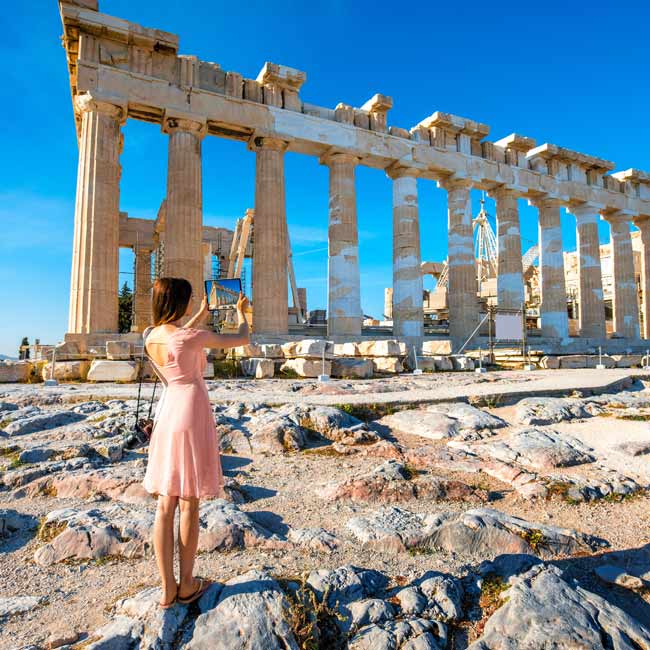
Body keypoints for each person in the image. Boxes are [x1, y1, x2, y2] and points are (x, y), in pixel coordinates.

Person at [142, 277, 250, 608]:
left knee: (165, 504)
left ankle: (166, 588)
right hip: (191, 413)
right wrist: (243, 312)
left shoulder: (151, 338)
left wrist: (201, 313)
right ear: (179, 302)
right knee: (189, 501)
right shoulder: (193, 337)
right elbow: (242, 338)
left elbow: (177, 342)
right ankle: (187, 584)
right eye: (189, 300)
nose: (192, 305)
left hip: (167, 413)